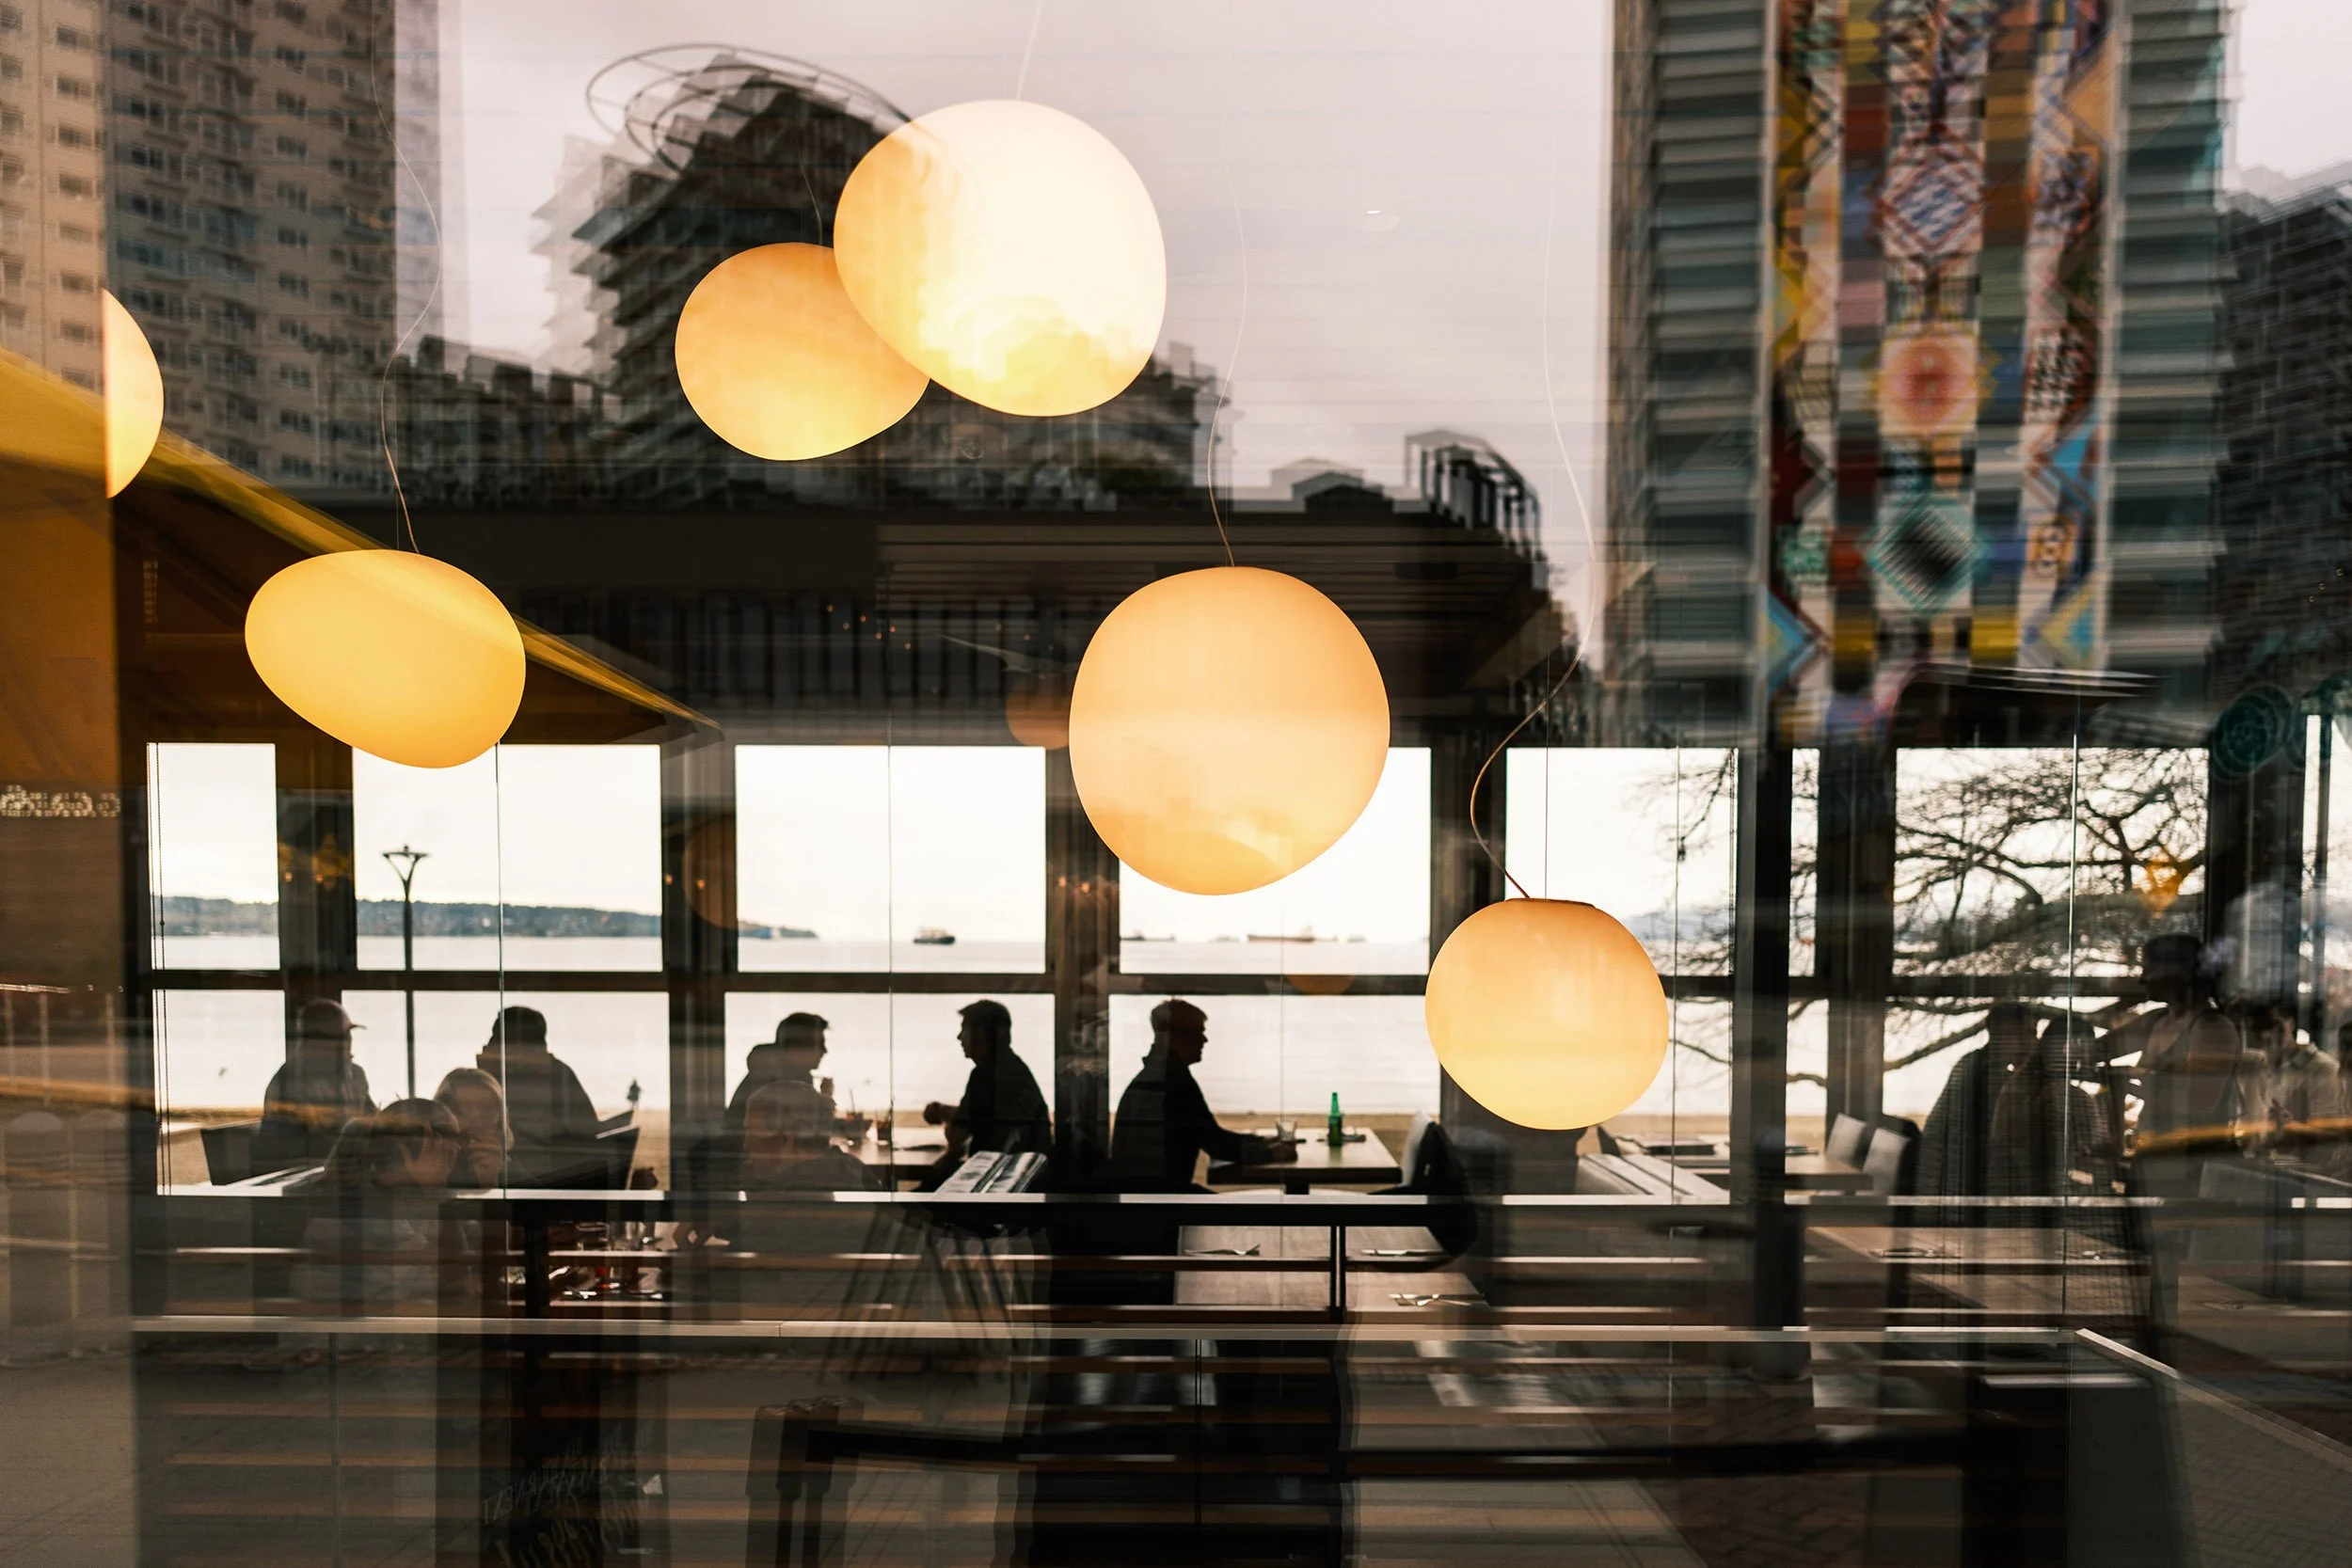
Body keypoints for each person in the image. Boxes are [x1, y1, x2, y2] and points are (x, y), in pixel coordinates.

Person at [2096, 933, 2255, 1193]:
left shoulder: (2213, 1027)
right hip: (2154, 1157)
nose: (2143, 979)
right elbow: (2095, 1049)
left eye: (2150, 969)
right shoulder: (2156, 1020)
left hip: (2192, 1167)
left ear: (2179, 971)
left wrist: (2131, 1079)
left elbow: (2199, 1105)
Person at [1110, 1000, 1295, 1193]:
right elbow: (1215, 1143)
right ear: (1178, 1035)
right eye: (1198, 1032)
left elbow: (1207, 1132)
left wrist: (1258, 1141)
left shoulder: (1156, 1075)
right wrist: (1270, 1153)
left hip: (1144, 1197)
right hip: (1163, 1198)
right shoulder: (1173, 1081)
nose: (1204, 1040)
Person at [921, 999, 1051, 1186]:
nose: (959, 1037)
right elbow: (978, 1117)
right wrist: (943, 1111)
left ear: (982, 1034)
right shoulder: (1012, 1068)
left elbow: (957, 1135)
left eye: (964, 1029)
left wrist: (942, 1114)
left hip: (989, 1184)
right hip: (1011, 1181)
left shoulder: (985, 1075)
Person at [476, 1006, 601, 1184]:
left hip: (528, 1179)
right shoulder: (559, 1074)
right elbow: (589, 1130)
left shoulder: (494, 1076)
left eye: (496, 1036)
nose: (489, 1042)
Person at [254, 998, 376, 1174]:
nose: (348, 1043)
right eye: (340, 1038)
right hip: (303, 1175)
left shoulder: (355, 1075)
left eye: (348, 1036)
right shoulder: (289, 1083)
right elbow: (289, 1151)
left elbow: (372, 1119)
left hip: (344, 1170)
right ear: (313, 1042)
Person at [742, 1081, 876, 1192]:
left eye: (752, 1133)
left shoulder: (780, 1198)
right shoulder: (856, 1170)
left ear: (786, 1141)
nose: (746, 1145)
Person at [726, 1012, 835, 1137]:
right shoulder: (781, 1084)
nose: (824, 1051)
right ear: (795, 1047)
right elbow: (810, 1138)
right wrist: (826, 1098)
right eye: (819, 1044)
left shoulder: (772, 1074)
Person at [434, 1066, 510, 1188]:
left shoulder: (510, 1167)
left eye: (487, 1110)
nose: (477, 1121)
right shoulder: (426, 1161)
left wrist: (490, 1181)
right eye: (464, 1110)